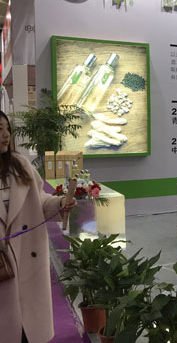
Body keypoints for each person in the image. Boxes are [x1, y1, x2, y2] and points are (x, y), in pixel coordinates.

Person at [0, 110, 77, 343]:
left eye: (7, 129)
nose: (6, 135)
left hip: (28, 262)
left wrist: (61, 204)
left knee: (27, 331)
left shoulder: (20, 166)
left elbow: (41, 201)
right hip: (3, 267)